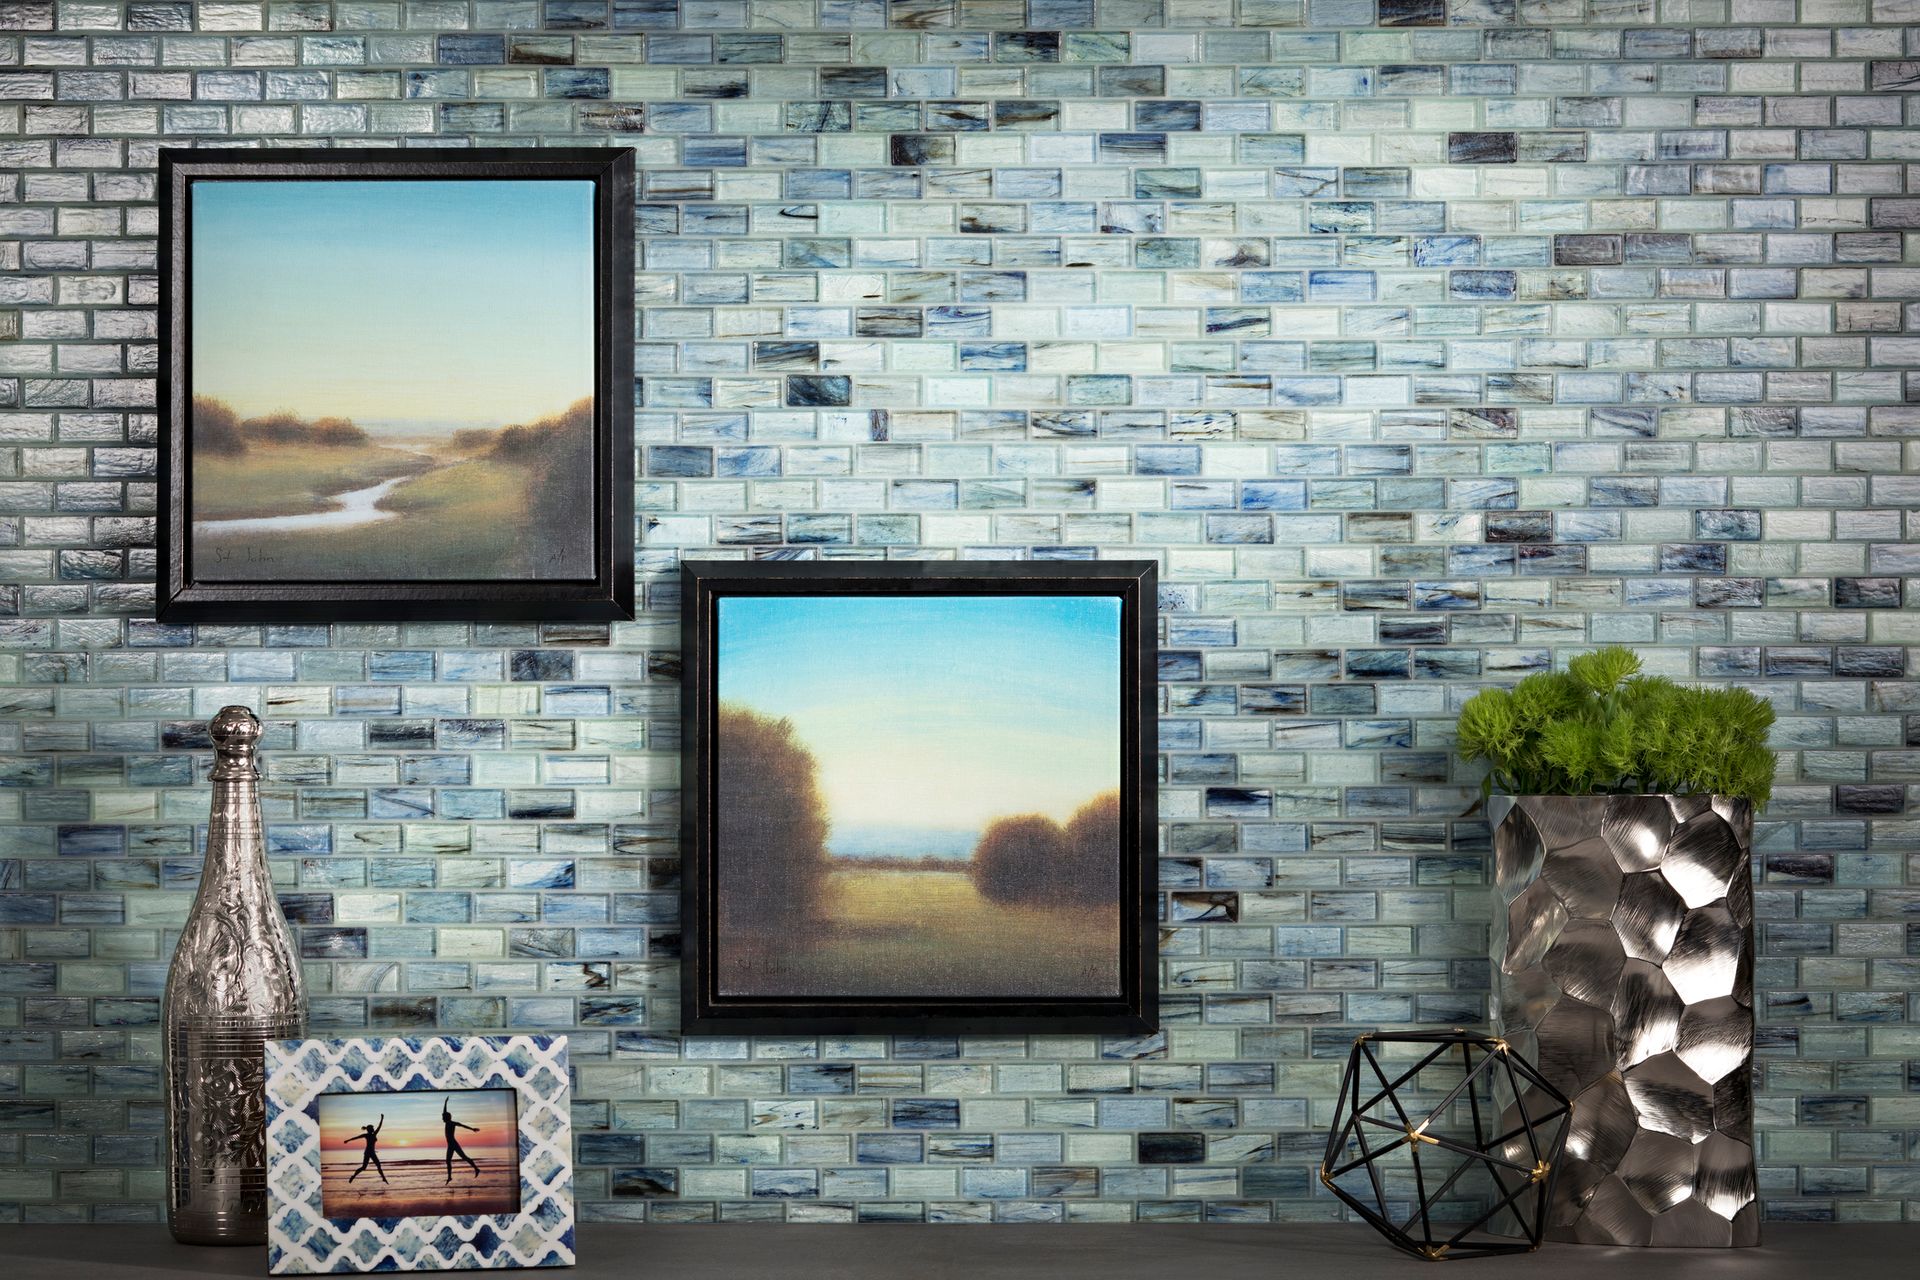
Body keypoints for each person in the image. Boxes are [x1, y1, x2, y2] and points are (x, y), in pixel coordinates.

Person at [442, 1096, 481, 1183]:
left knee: (464, 1157)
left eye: (443, 1117)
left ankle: (476, 1169)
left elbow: (462, 1125)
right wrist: (445, 1102)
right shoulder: (447, 1121)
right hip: (450, 1145)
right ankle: (449, 1177)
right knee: (448, 1161)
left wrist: (472, 1129)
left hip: (454, 1144)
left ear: (447, 1118)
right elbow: (444, 1111)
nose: (442, 1119)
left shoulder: (452, 1123)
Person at [344, 1114, 386, 1184]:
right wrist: (348, 1140)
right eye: (372, 1128)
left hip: (371, 1152)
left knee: (375, 1165)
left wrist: (382, 1119)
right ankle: (353, 1176)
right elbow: (356, 1137)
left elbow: (379, 1126)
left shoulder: (372, 1134)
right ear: (370, 1129)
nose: (373, 1129)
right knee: (367, 1167)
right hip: (369, 1153)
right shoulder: (368, 1135)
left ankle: (383, 1178)